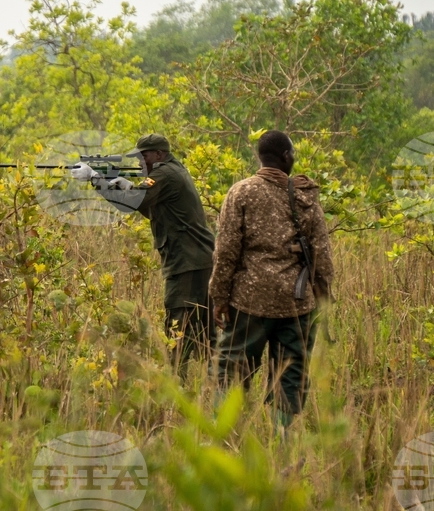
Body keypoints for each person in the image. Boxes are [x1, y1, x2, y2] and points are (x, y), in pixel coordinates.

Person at [208, 130, 334, 430]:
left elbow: (225, 251)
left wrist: (220, 297)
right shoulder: (304, 196)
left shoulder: (240, 192)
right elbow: (322, 257)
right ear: (285, 158)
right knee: (291, 376)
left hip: (249, 301)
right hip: (296, 303)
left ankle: (222, 440)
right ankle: (284, 444)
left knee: (231, 371)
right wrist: (323, 298)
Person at [71, 134, 216, 379]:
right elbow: (147, 206)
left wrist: (96, 178)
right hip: (196, 260)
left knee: (179, 327)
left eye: (143, 156)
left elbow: (131, 203)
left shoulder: (165, 174)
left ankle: (176, 389)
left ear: (158, 154)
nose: (139, 162)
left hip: (187, 262)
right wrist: (120, 184)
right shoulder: (171, 171)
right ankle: (220, 389)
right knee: (204, 330)